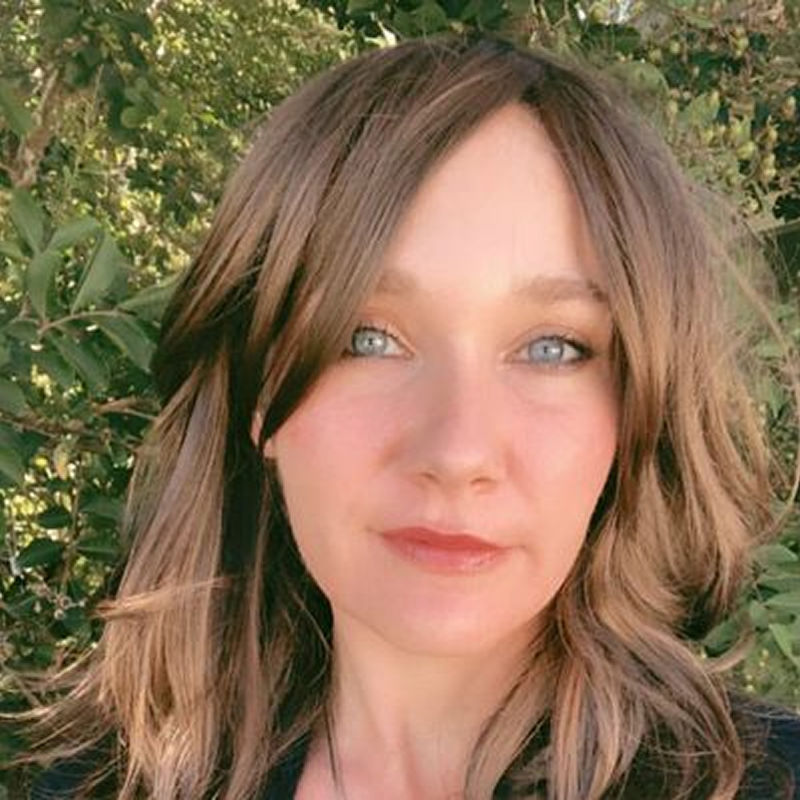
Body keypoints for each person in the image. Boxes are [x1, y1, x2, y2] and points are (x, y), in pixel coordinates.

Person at [12, 31, 800, 800]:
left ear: (636, 412)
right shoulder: (105, 785)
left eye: (554, 348)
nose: (458, 451)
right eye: (368, 338)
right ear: (261, 391)